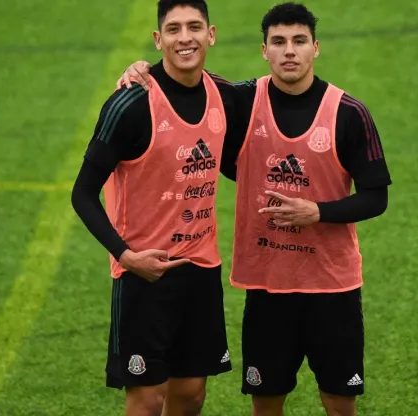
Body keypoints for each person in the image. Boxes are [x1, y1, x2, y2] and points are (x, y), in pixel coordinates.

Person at [116, 2, 392, 415]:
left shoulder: (349, 114)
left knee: (339, 403)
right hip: (267, 287)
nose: (289, 52)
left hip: (333, 288)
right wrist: (141, 70)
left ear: (316, 47)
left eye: (299, 41)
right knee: (265, 404)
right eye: (278, 42)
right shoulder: (240, 102)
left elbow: (376, 197)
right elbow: (185, 78)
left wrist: (317, 212)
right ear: (264, 50)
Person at [70, 1, 246, 415]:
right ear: (158, 39)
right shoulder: (130, 104)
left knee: (190, 393)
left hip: (201, 268)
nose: (185, 38)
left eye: (194, 27)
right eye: (174, 29)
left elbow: (278, 95)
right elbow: (82, 193)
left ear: (211, 34)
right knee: (148, 398)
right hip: (143, 274)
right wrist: (127, 257)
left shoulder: (225, 95)